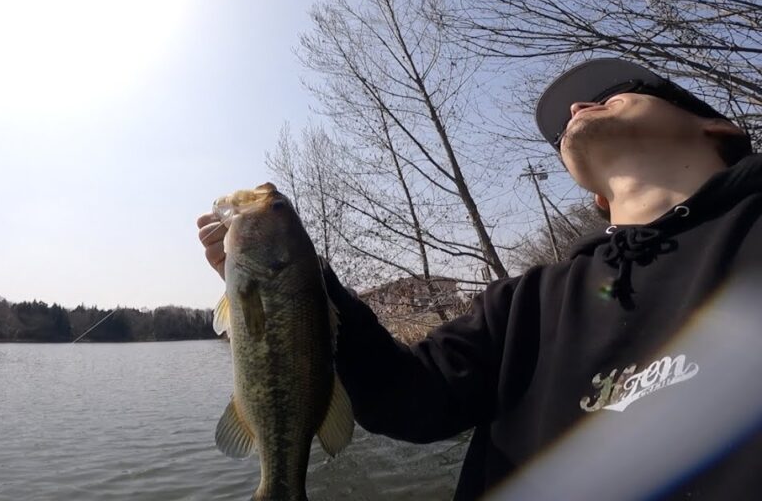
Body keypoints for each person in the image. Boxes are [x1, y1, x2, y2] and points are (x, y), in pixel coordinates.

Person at [197, 58, 762, 500]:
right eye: (566, 122)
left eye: (617, 91)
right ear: (594, 195)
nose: (577, 107)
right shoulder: (525, 303)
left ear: (717, 126)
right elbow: (407, 400)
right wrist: (299, 283)